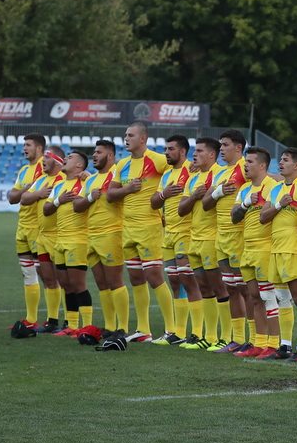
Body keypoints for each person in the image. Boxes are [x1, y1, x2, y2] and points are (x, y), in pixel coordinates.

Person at [107, 122, 176, 341]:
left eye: (130, 135)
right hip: (128, 228)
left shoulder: (157, 160)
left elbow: (178, 170)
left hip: (149, 226)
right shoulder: (123, 164)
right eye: (125, 134)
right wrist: (127, 189)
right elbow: (110, 194)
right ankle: (143, 330)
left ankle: (171, 330)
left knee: (154, 276)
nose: (126, 138)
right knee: (136, 277)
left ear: (143, 139)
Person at [260, 147, 297, 359]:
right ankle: (285, 345)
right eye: (280, 159)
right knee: (282, 298)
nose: (280, 163)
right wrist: (279, 206)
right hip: (276, 248)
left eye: (285, 160)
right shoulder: (275, 190)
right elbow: (263, 217)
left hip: (294, 249)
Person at [178, 137, 230, 351]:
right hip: (194, 239)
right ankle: (208, 336)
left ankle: (225, 337)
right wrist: (194, 196)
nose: (194, 155)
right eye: (194, 151)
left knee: (220, 288)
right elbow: (181, 209)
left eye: (199, 151)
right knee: (204, 288)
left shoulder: (219, 174)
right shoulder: (192, 179)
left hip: (211, 239)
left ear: (211, 154)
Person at [74, 140, 130, 333]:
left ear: (111, 155)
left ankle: (122, 327)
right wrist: (90, 197)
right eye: (94, 152)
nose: (94, 156)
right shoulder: (90, 180)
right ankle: (109, 326)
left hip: (112, 233)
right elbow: (77, 206)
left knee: (115, 281)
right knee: (102, 283)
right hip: (92, 235)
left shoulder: (118, 174)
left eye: (99, 152)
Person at [152, 135, 202, 345]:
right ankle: (177, 332)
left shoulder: (193, 169)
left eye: (170, 149)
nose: (166, 152)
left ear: (182, 151)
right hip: (169, 232)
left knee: (188, 280)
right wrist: (164, 194)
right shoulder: (165, 175)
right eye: (165, 148)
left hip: (186, 232)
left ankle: (198, 332)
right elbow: (154, 203)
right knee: (174, 281)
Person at [231, 146, 280, 358]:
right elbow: (234, 216)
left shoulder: (273, 186)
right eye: (245, 162)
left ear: (262, 166)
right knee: (254, 297)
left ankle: (274, 343)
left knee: (269, 297)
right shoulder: (244, 189)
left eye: (250, 162)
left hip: (265, 248)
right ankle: (259, 343)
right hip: (247, 248)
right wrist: (244, 203)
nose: (245, 166)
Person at [208, 130, 250, 352]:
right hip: (221, 237)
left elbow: (273, 179)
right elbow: (207, 201)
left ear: (238, 148)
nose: (221, 148)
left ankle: (254, 339)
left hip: (239, 237)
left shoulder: (246, 167)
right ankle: (238, 338)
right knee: (231, 289)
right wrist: (216, 193)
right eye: (220, 145)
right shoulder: (220, 173)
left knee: (245, 290)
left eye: (225, 145)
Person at [44, 151, 93, 330]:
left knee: (78, 284)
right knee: (66, 284)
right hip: (60, 240)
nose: (64, 159)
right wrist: (59, 200)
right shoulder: (59, 186)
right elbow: (47, 209)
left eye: (70, 158)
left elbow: (97, 188)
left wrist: (89, 176)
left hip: (78, 240)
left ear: (80, 166)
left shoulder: (86, 181)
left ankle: (87, 326)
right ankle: (72, 327)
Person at [19, 148, 66, 331]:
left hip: (58, 234)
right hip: (42, 235)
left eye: (47, 157)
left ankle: (71, 321)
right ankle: (52, 320)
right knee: (48, 278)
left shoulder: (62, 179)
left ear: (57, 160)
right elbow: (24, 198)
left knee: (65, 279)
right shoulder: (41, 180)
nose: (43, 161)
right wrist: (38, 194)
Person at [7, 133, 46, 329]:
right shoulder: (24, 170)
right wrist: (26, 190)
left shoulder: (45, 167)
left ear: (39, 148)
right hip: (22, 227)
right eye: (24, 145)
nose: (24, 148)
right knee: (28, 274)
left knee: (48, 275)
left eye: (28, 145)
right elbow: (12, 197)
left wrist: (25, 192)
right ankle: (31, 320)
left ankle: (58, 319)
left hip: (38, 228)